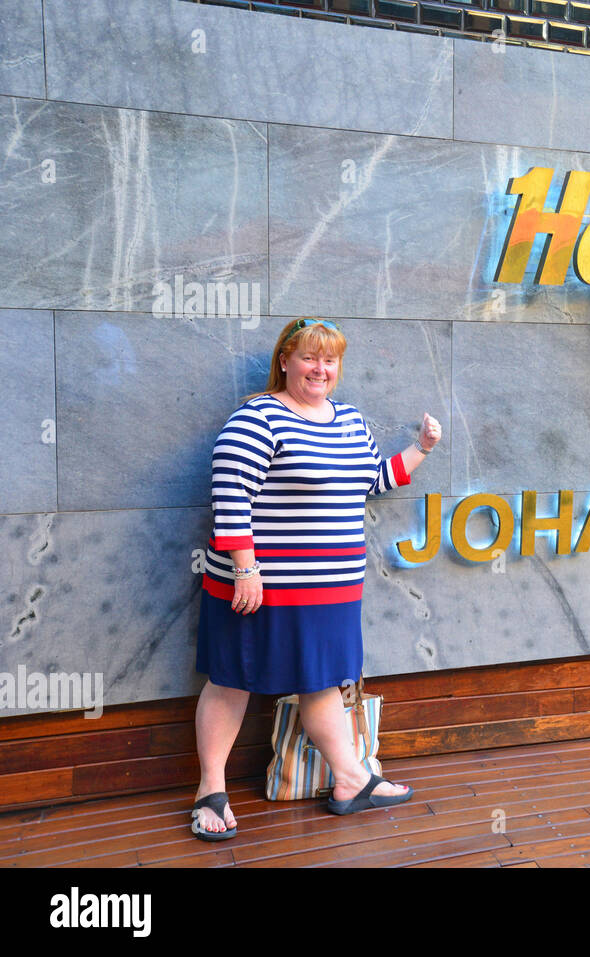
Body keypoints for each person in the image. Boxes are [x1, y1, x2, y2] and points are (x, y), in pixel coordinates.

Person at [190, 317, 442, 840]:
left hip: (332, 589)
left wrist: (421, 448)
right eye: (309, 357)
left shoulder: (348, 421)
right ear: (285, 361)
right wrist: (245, 569)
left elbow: (372, 478)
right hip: (258, 586)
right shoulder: (258, 418)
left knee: (322, 680)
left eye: (329, 360)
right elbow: (230, 496)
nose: (320, 369)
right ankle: (209, 789)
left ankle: (350, 779)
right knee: (231, 679)